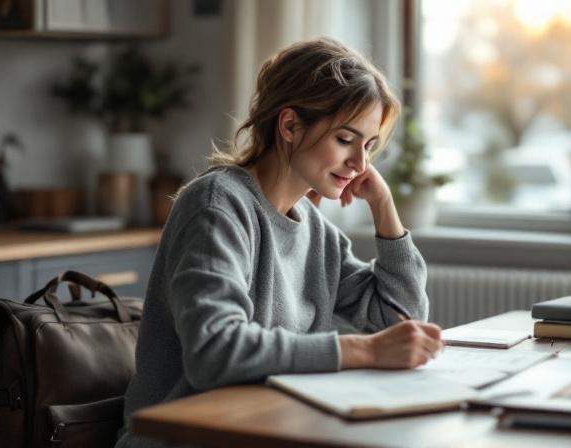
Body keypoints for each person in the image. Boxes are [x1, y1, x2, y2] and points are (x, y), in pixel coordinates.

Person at [115, 38, 443, 448]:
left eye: (369, 146)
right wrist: (364, 351)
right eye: (346, 140)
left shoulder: (316, 230)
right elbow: (214, 352)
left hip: (274, 429)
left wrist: (384, 207)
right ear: (289, 126)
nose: (360, 164)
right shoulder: (217, 205)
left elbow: (400, 322)